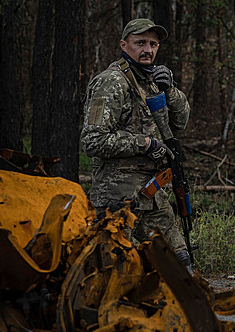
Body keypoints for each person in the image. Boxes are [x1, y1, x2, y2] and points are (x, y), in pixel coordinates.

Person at [80, 18, 192, 271]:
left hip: (150, 193)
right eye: (140, 43)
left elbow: (179, 124)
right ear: (124, 45)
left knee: (179, 261)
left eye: (153, 44)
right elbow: (92, 141)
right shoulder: (112, 82)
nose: (148, 50)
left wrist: (171, 90)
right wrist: (145, 144)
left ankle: (180, 310)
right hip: (116, 197)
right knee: (113, 270)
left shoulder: (150, 80)